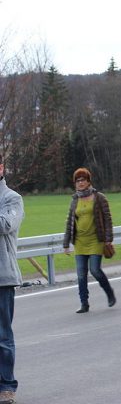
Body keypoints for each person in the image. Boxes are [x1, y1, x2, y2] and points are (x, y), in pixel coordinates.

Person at [63, 168, 116, 313]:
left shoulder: (99, 198)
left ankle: (109, 293)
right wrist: (66, 243)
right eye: (77, 181)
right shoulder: (75, 200)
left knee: (95, 270)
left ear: (88, 181)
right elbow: (69, 222)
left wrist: (108, 239)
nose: (80, 183)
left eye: (83, 180)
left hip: (96, 240)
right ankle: (84, 303)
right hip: (80, 242)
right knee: (81, 274)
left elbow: (108, 219)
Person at [0, 154, 23, 404]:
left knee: (2, 336)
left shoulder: (11, 198)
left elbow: (6, 224)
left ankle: (7, 386)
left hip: (3, 277)